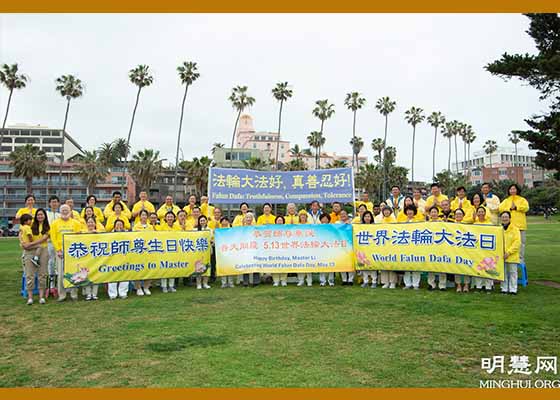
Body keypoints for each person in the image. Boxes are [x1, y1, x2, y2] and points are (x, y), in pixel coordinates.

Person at [50, 205, 82, 302]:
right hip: (60, 251)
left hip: (73, 251)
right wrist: (58, 250)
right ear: (60, 212)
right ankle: (62, 295)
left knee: (74, 273)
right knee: (60, 274)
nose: (65, 212)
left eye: (66, 210)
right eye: (63, 210)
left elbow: (78, 237)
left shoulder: (76, 223)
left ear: (70, 211)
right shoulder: (55, 223)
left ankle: (74, 293)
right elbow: (53, 238)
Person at [19, 212, 49, 305]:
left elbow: (44, 238)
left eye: (42, 214)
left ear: (45, 216)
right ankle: (30, 297)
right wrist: (22, 243)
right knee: (29, 274)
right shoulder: (29, 224)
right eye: (38, 215)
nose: (40, 216)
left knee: (42, 274)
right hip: (30, 251)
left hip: (42, 250)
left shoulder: (47, 226)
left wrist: (30, 244)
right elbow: (21, 233)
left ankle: (41, 297)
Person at [499, 183, 529, 264]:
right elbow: (500, 208)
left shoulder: (522, 199)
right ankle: (509, 258)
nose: (512, 191)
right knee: (509, 243)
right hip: (510, 226)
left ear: (517, 190)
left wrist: (516, 208)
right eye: (511, 189)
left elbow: (526, 208)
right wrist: (509, 208)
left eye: (514, 189)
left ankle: (521, 259)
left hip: (520, 226)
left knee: (521, 243)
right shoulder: (506, 200)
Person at [472, 206, 494, 293]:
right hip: (478, 249)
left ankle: (488, 286)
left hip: (487, 249)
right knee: (479, 267)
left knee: (488, 267)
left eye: (482, 212)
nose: (481, 213)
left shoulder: (490, 224)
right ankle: (479, 286)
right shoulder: (474, 224)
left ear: (485, 213)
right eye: (479, 212)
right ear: (477, 213)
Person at [132, 209, 153, 296]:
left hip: (148, 250)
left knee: (149, 268)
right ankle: (138, 288)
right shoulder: (136, 226)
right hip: (139, 250)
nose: (144, 216)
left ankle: (146, 287)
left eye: (145, 215)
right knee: (138, 269)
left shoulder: (150, 227)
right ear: (140, 216)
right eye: (142, 215)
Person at [107, 220, 130, 300]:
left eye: (121, 225)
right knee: (112, 275)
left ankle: (123, 293)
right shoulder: (109, 235)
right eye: (117, 224)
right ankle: (112, 294)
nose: (119, 226)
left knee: (124, 275)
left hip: (124, 257)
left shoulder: (127, 234)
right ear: (114, 226)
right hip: (113, 258)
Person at [157, 211, 179, 293]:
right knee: (164, 268)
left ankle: (171, 286)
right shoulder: (161, 227)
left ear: (174, 218)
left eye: (171, 217)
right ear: (165, 218)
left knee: (172, 267)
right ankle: (164, 286)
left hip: (174, 250)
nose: (170, 218)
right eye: (168, 217)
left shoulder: (177, 227)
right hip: (164, 250)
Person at [500, 211, 521, 295]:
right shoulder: (499, 229)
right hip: (501, 255)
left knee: (513, 272)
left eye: (506, 217)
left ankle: (513, 289)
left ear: (509, 218)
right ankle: (504, 288)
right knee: (503, 273)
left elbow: (517, 243)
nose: (504, 219)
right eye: (503, 217)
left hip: (512, 255)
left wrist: (509, 252)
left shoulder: (515, 229)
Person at [426, 206, 447, 291]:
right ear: (430, 214)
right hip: (430, 247)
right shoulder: (427, 223)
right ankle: (431, 284)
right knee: (431, 266)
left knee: (442, 265)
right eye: (432, 212)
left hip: (440, 246)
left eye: (435, 212)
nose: (434, 213)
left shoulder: (442, 222)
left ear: (438, 213)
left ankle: (442, 285)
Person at [401, 205, 422, 290]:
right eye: (408, 210)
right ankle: (407, 283)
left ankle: (416, 284)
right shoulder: (402, 222)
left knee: (415, 265)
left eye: (411, 210)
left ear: (414, 212)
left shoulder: (418, 221)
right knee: (406, 265)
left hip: (415, 246)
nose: (409, 212)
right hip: (406, 246)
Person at [452, 208, 470, 293]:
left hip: (465, 249)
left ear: (463, 216)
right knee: (457, 268)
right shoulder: (450, 226)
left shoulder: (467, 226)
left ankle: (466, 284)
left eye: (460, 214)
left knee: (466, 267)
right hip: (455, 249)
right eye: (456, 214)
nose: (458, 215)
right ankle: (458, 284)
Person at [82, 216, 100, 300]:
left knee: (96, 274)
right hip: (86, 257)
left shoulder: (98, 233)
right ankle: (88, 293)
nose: (90, 224)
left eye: (92, 222)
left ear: (95, 224)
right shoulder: (83, 233)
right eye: (89, 222)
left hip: (96, 256)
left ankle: (94, 293)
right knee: (86, 274)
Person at [379, 206, 397, 289]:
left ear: (390, 211)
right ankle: (385, 282)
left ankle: (392, 282)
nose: (386, 212)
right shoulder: (381, 221)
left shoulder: (394, 220)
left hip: (391, 244)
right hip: (383, 245)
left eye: (387, 210)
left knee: (391, 264)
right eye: (384, 211)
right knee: (383, 264)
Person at [45, 195, 60, 297]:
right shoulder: (47, 214)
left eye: (56, 202)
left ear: (58, 203)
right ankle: (51, 285)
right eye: (52, 202)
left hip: (59, 243)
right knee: (50, 262)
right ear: (49, 203)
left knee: (59, 263)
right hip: (49, 242)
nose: (54, 204)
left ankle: (58, 285)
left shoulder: (60, 215)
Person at [359, 211, 377, 289]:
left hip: (372, 248)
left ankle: (374, 281)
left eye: (368, 216)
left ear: (371, 218)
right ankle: (365, 281)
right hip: (363, 248)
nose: (367, 218)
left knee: (372, 266)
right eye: (365, 216)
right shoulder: (359, 227)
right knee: (364, 266)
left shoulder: (374, 226)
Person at [241, 213, 260, 287]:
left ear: (252, 219)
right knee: (245, 265)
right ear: (245, 219)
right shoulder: (241, 229)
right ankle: (245, 282)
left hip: (254, 249)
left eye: (250, 217)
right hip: (245, 249)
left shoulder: (255, 228)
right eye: (247, 217)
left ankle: (256, 281)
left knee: (255, 264)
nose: (248, 219)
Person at [318, 213, 335, 287]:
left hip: (330, 248)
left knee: (331, 264)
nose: (324, 220)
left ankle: (331, 280)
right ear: (320, 220)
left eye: (326, 218)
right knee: (321, 265)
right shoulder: (317, 227)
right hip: (320, 249)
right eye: (323, 218)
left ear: (328, 220)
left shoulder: (332, 227)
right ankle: (322, 281)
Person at [195, 215, 212, 289]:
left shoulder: (210, 230)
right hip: (198, 251)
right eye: (201, 221)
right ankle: (198, 283)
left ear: (206, 221)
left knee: (207, 267)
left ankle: (205, 283)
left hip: (207, 250)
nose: (202, 222)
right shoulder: (195, 230)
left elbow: (212, 239)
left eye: (204, 220)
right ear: (199, 222)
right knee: (198, 267)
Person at [218, 217, 235, 288]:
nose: (224, 222)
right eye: (223, 221)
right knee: (223, 267)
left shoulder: (231, 230)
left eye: (226, 221)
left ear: (228, 222)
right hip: (221, 251)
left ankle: (231, 282)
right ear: (221, 222)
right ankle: (224, 283)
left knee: (230, 266)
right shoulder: (218, 231)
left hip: (230, 250)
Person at [271, 216, 288, 287]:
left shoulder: (287, 229)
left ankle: (283, 280)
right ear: (275, 222)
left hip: (284, 250)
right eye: (278, 220)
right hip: (275, 250)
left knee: (284, 265)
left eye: (281, 220)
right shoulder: (272, 230)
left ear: (283, 222)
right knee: (275, 265)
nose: (279, 222)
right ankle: (276, 281)